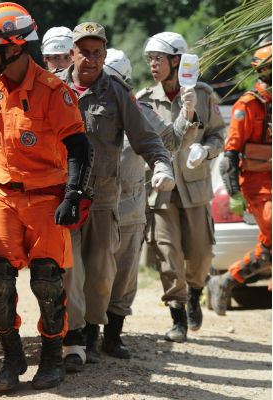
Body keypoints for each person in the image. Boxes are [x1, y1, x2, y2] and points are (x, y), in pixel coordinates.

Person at [0, 3, 93, 391]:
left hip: (46, 196)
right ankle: (11, 357)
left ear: (17, 47)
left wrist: (73, 194)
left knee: (47, 282)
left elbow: (79, 148)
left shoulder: (54, 92)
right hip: (3, 194)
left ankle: (53, 359)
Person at [55, 23, 174, 370]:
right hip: (62, 196)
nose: (89, 59)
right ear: (72, 52)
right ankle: (73, 338)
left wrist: (162, 165)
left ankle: (93, 328)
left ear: (104, 55)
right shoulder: (54, 87)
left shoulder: (117, 93)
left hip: (105, 195)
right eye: (83, 51)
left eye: (96, 52)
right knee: (69, 269)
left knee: (101, 270)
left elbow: (146, 136)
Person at [101, 48, 198, 361]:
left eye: (113, 81)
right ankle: (84, 336)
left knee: (125, 275)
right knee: (91, 273)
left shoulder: (139, 110)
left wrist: (187, 110)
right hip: (94, 205)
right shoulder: (79, 106)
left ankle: (112, 337)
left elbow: (171, 140)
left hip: (129, 205)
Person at [137, 32, 225, 342]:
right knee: (167, 254)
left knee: (200, 253)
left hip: (195, 187)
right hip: (160, 191)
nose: (152, 65)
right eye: (150, 59)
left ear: (177, 61)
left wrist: (207, 151)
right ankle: (178, 316)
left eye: (158, 59)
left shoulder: (201, 94)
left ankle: (196, 293)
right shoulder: (145, 100)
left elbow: (217, 135)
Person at [209, 44, 272, 314]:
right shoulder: (247, 105)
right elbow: (230, 155)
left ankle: (226, 280)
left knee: (268, 246)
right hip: (258, 187)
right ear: (264, 70)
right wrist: (234, 194)